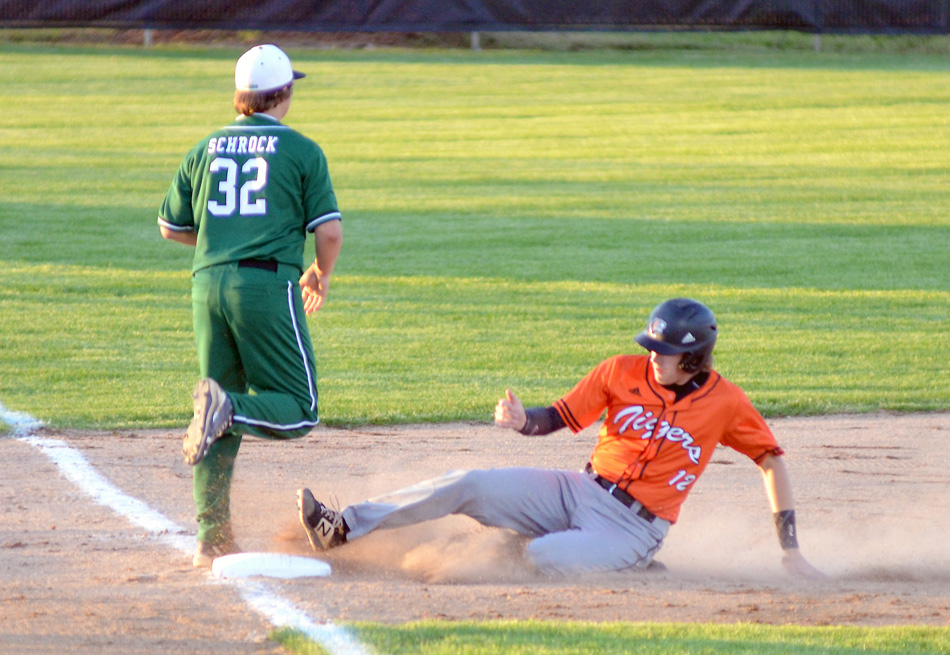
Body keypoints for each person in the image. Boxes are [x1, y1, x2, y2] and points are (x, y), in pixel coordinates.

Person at [296, 298, 826, 579]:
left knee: (545, 558)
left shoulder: (727, 403)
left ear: (693, 358)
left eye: (662, 352)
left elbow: (771, 461)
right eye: (649, 346)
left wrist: (791, 549)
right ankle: (342, 528)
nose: (650, 356)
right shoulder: (621, 371)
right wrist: (522, 419)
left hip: (635, 529)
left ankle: (627, 563)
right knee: (469, 483)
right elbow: (560, 416)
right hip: (578, 490)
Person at [158, 44, 343, 568]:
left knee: (214, 406)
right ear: (282, 95)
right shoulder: (302, 150)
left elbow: (171, 227)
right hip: (264, 287)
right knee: (299, 406)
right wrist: (320, 275)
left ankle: (211, 537)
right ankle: (231, 409)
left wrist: (223, 243)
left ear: (241, 97)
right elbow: (328, 231)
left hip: (206, 285)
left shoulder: (204, 147)